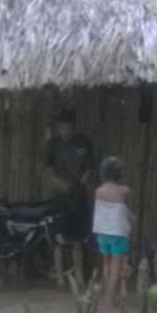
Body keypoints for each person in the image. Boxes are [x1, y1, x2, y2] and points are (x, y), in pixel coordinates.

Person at [43, 110, 95, 280]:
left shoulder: (84, 142)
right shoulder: (53, 145)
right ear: (58, 128)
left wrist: (86, 177)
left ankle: (79, 275)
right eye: (62, 129)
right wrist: (60, 184)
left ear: (74, 128)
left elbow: (91, 166)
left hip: (80, 197)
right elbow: (46, 171)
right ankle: (59, 277)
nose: (65, 132)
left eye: (68, 129)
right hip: (60, 198)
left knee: (78, 240)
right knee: (59, 240)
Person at [93, 157, 132, 307]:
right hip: (118, 233)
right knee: (117, 268)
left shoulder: (98, 191)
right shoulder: (125, 191)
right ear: (120, 173)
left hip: (103, 233)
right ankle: (110, 300)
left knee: (106, 265)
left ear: (103, 173)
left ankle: (104, 298)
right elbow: (126, 210)